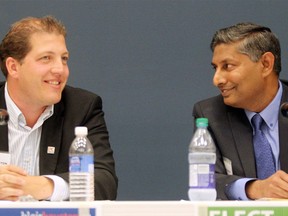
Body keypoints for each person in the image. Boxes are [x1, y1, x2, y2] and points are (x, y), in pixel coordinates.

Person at [0, 16, 118, 201]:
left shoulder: (82, 108)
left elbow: (104, 183)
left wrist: (42, 185)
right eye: (46, 58)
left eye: (64, 59)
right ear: (13, 67)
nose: (60, 69)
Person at [192, 22, 288, 200]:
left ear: (266, 64)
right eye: (215, 68)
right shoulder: (210, 114)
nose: (217, 79)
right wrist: (254, 188)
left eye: (228, 66)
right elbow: (205, 180)